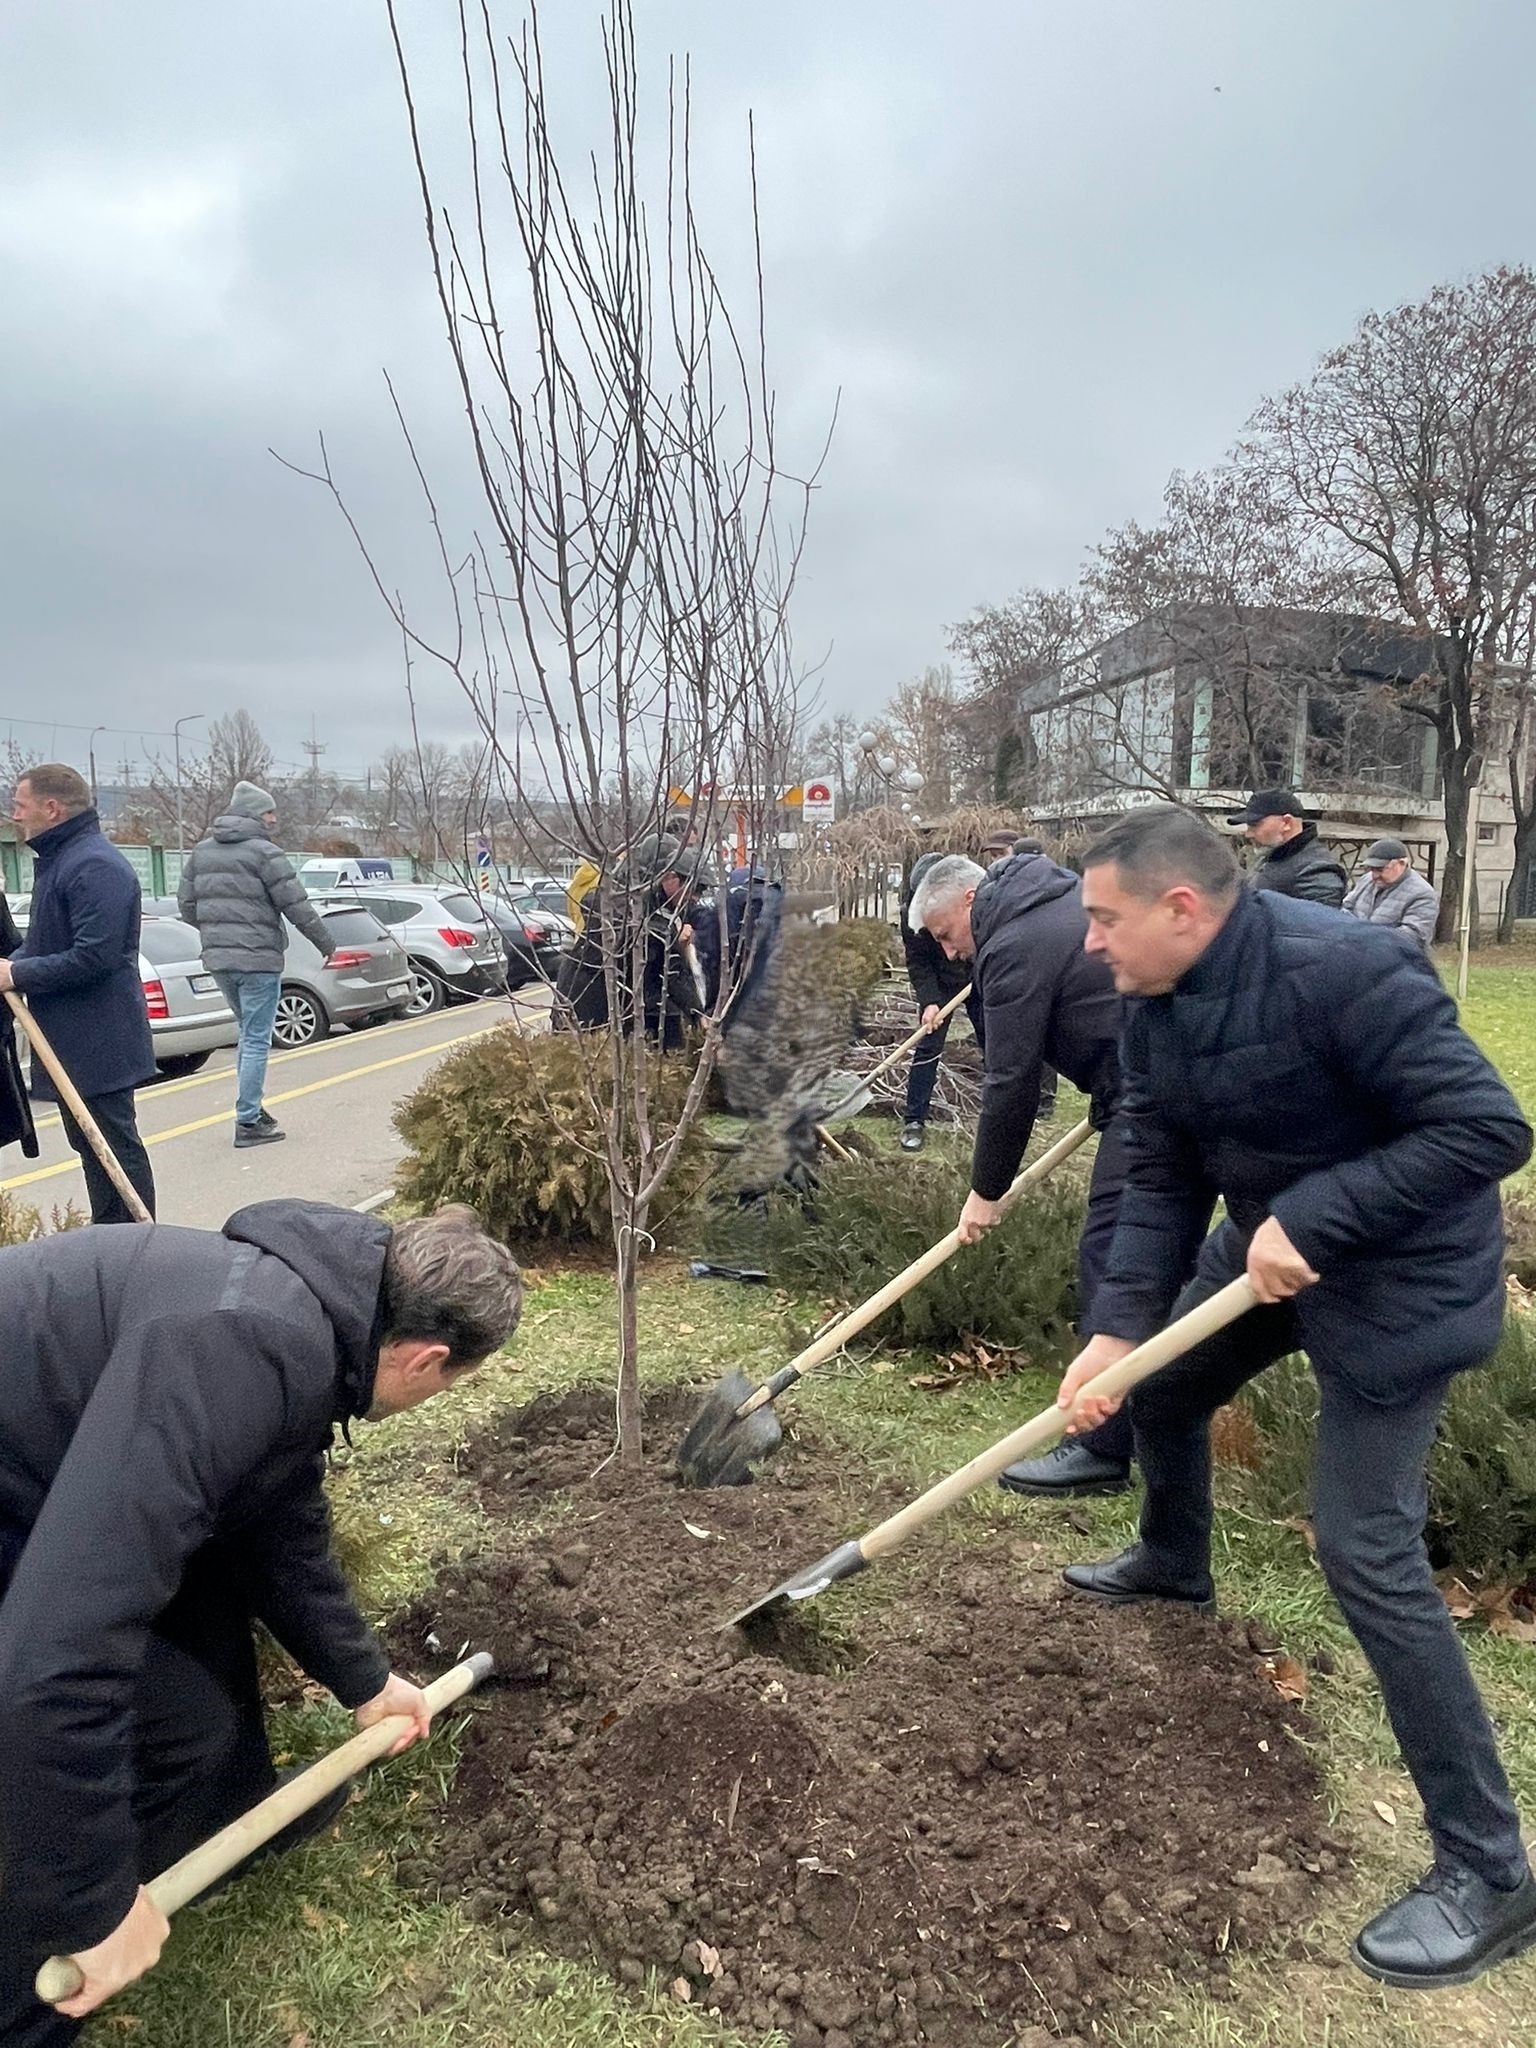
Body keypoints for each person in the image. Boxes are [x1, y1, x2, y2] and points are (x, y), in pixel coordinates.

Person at [1055, 803, 1535, 1988]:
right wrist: (1118, 1327)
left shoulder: (1351, 966)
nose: (1089, 945)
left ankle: (1493, 1867)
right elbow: (1160, 1162)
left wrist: (1314, 1218)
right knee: (1159, 1381)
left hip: (1401, 1279)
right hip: (1267, 1249)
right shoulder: (1151, 999)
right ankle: (1174, 1558)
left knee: (1366, 1546)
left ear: (1182, 908)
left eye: (1104, 919)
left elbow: (1487, 1127)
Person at [0, 1198, 523, 2042]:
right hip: (19, 1485)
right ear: (427, 1362)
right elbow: (56, 1659)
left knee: (197, 1684)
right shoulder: (238, 1348)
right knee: (120, 1701)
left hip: (36, 1461)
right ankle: (29, 1990)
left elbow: (276, 1515)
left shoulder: (306, 1314)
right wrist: (87, 1903)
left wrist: (364, 1678)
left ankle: (214, 1815)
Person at [910, 848, 1166, 1497]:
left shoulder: (1017, 941)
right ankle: (1151, 1422)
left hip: (1155, 1095)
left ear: (970, 902)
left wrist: (985, 1191)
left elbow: (1012, 1080)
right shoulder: (1049, 905)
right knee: (1143, 1258)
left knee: (1111, 1256)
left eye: (945, 935)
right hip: (1142, 1083)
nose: (948, 954)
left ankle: (1100, 1448)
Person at [0, 765, 156, 1223]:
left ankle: (134, 1242)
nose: (15, 816)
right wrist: (17, 963)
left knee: (112, 1146)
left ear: (52, 808)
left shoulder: (93, 865)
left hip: (99, 1038)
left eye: (21, 806)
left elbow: (96, 957)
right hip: (72, 1040)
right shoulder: (61, 861)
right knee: (92, 1146)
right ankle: (113, 1237)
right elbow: (50, 942)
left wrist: (18, 974)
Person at [177, 781, 340, 1147]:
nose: (274, 819)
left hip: (219, 960)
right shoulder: (266, 853)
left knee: (247, 1032)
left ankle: (251, 1107)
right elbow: (296, 905)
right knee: (255, 1038)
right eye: (269, 812)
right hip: (259, 959)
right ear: (253, 814)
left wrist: (217, 934)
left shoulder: (201, 853)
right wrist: (326, 944)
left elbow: (186, 904)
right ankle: (248, 1120)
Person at [556, 832, 706, 1050]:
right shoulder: (624, 902)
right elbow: (663, 964)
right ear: (666, 875)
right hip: (589, 1008)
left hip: (602, 1003)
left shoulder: (643, 903)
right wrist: (697, 1013)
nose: (695, 898)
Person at [897, 852, 982, 1152]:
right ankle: (914, 1120)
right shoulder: (912, 915)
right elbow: (918, 960)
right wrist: (930, 1001)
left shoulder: (977, 903)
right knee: (928, 1047)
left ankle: (997, 1115)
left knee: (993, 1042)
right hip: (941, 983)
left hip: (978, 972)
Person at [1226, 788, 1346, 906]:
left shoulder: (1315, 870)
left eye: (1255, 825)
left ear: (1286, 823)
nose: (1248, 834)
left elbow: (1322, 921)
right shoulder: (1278, 855)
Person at [1343, 836, 1440, 951]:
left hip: (1397, 962)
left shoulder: (1423, 894)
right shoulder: (1366, 880)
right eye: (1372, 869)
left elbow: (1413, 936)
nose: (1374, 875)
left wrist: (1367, 937)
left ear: (1401, 863)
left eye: (1380, 869)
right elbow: (1346, 907)